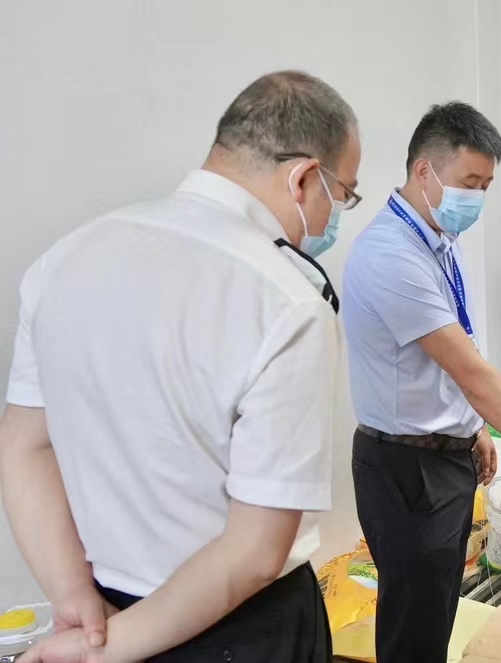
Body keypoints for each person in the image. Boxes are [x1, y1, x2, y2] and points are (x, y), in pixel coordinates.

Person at [0, 71, 358, 662]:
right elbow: (253, 553)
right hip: (244, 629)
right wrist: (104, 651)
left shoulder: (65, 259)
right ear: (303, 178)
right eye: (341, 194)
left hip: (104, 607)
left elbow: (23, 446)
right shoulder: (285, 301)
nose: (332, 217)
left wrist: (77, 606)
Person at [341, 102, 501, 663]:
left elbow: (449, 355)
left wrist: (472, 428)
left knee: (434, 611)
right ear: (424, 170)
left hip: (440, 454)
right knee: (414, 626)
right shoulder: (391, 255)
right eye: (469, 182)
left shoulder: (437, 242)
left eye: (486, 186)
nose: (476, 197)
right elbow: (471, 372)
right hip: (407, 466)